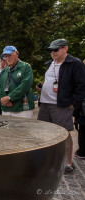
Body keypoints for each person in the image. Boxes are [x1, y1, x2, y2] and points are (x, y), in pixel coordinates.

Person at [36, 39, 85, 173]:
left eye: (55, 50)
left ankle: (68, 163)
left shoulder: (75, 64)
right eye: (51, 50)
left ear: (65, 48)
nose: (52, 53)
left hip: (61, 105)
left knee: (64, 133)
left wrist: (73, 103)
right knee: (44, 133)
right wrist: (42, 87)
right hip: (45, 104)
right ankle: (47, 161)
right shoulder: (49, 64)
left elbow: (81, 86)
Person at [0, 46, 34, 119]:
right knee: (7, 130)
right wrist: (2, 100)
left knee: (23, 130)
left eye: (9, 55)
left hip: (22, 110)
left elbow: (25, 85)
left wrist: (10, 98)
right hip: (6, 109)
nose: (7, 58)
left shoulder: (26, 67)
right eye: (5, 56)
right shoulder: (4, 71)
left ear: (17, 54)